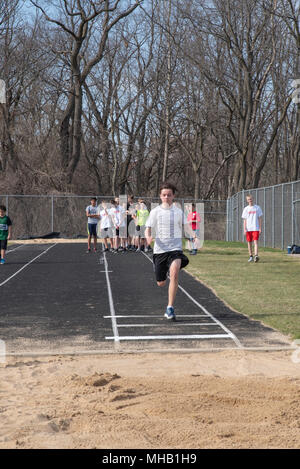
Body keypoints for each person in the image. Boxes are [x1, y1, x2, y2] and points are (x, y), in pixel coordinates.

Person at [145, 182, 191, 321]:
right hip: (160, 250)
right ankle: (162, 269)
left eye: (169, 195)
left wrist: (193, 235)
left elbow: (186, 226)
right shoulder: (155, 212)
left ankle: (169, 308)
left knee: (175, 272)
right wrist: (148, 237)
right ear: (160, 196)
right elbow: (148, 227)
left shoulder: (178, 211)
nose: (166, 197)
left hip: (175, 249)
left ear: (173, 196)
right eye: (164, 195)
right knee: (161, 283)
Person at [242, 194, 263, 262]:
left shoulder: (257, 208)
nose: (250, 200)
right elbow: (244, 220)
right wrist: (244, 229)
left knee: (255, 242)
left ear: (253, 199)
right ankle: (251, 256)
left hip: (255, 228)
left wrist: (260, 228)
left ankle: (256, 256)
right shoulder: (246, 209)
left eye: (251, 199)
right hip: (248, 229)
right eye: (248, 199)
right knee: (249, 242)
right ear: (247, 200)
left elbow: (260, 218)